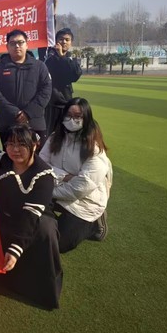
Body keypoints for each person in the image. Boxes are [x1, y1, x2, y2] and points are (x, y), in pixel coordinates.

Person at [0, 125, 62, 309]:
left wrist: (15, 249)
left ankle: (41, 289)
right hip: (6, 214)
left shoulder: (44, 174)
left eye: (22, 144)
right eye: (11, 144)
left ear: (34, 145)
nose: (15, 149)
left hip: (35, 217)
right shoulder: (0, 161)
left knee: (45, 231)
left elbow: (31, 215)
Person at [39, 97, 112, 253]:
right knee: (34, 217)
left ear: (86, 118)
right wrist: (65, 176)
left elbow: (80, 188)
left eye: (78, 116)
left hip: (85, 202)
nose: (72, 120)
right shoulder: (55, 138)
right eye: (69, 115)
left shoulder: (94, 148)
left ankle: (96, 223)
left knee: (57, 244)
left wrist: (49, 190)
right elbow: (41, 165)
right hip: (59, 190)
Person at [0, 29, 52, 144]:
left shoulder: (39, 67)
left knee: (36, 154)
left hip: (34, 123)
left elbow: (46, 91)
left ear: (27, 45)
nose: (17, 46)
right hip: (8, 123)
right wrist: (15, 113)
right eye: (12, 43)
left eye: (20, 42)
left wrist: (28, 113)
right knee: (11, 153)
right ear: (7, 47)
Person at [44, 28, 82, 135]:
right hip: (52, 104)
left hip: (66, 102)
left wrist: (62, 56)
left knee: (67, 134)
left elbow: (75, 75)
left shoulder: (71, 59)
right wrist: (59, 56)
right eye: (61, 39)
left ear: (71, 43)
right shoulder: (50, 60)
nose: (64, 42)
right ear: (56, 41)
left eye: (67, 40)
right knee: (51, 135)